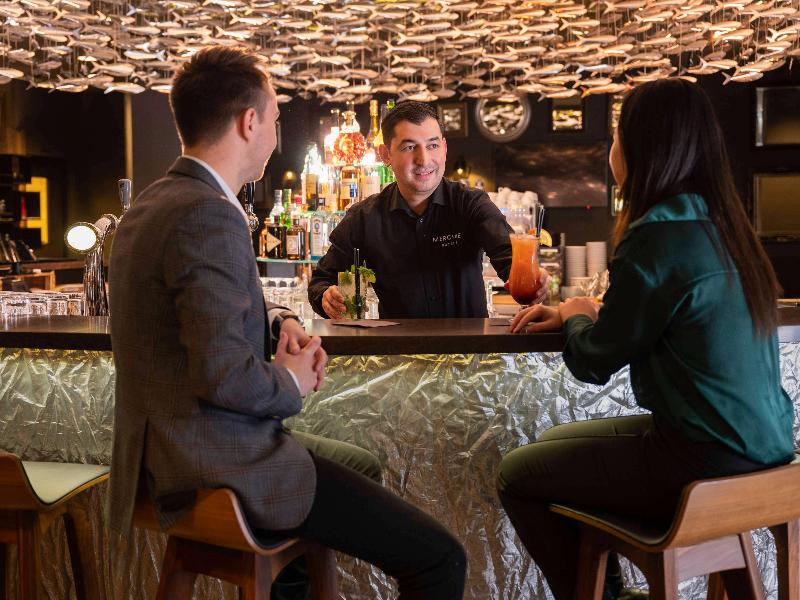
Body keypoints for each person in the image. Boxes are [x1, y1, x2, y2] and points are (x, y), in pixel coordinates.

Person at [108, 46, 466, 600]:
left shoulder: (153, 203)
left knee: (357, 465)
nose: (275, 136)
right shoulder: (208, 212)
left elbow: (205, 307)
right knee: (441, 559)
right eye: (275, 119)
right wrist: (291, 382)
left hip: (163, 458)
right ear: (249, 122)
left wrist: (279, 322)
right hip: (217, 463)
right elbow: (224, 375)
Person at [496, 78, 795, 600]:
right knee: (549, 446)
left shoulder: (655, 235)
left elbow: (592, 360)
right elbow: (665, 314)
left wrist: (576, 314)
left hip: (702, 463)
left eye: (616, 135)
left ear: (642, 148)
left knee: (518, 473)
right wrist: (583, 312)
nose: (611, 148)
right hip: (770, 457)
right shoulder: (724, 227)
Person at [308, 100, 546, 320]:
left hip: (470, 349)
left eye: (432, 145)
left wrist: (533, 280)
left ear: (444, 148)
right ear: (385, 154)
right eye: (409, 147)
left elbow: (511, 260)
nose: (423, 159)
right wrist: (327, 297)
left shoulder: (471, 204)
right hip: (398, 350)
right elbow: (321, 282)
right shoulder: (364, 218)